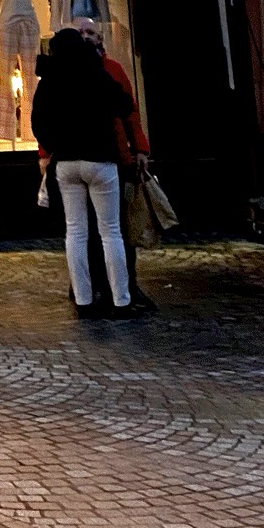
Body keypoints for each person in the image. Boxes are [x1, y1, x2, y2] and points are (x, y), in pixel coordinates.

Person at [30, 28, 148, 319]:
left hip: (67, 162)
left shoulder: (49, 79)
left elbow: (38, 122)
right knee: (111, 232)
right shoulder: (96, 72)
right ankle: (121, 299)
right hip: (100, 159)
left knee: (75, 232)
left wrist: (54, 146)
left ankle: (83, 300)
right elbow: (124, 105)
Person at [75, 17, 157, 311]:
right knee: (87, 229)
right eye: (81, 32)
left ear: (100, 39)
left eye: (91, 33)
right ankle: (92, 287)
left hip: (115, 158)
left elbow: (130, 113)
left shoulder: (114, 70)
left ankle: (126, 286)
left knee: (119, 228)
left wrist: (140, 149)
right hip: (80, 160)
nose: (86, 37)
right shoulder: (67, 71)